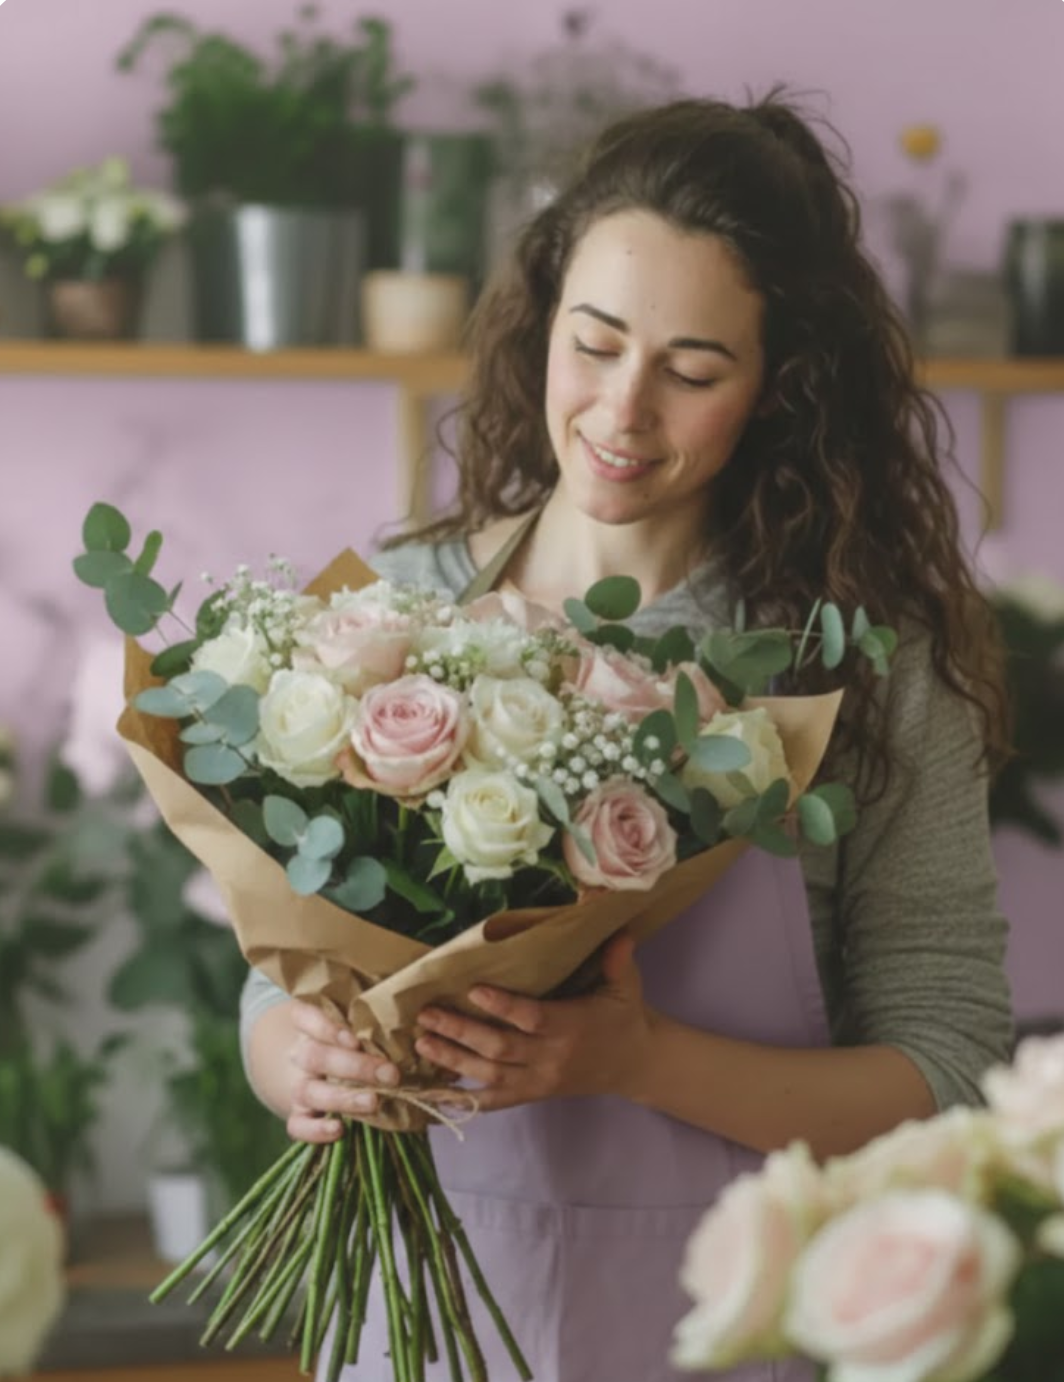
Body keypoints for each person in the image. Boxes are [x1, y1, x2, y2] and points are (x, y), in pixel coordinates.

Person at [240, 91, 1014, 1382]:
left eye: (694, 370)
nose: (622, 409)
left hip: (738, 1321)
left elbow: (948, 1061)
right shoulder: (397, 609)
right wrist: (298, 1062)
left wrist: (639, 1058)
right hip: (429, 1314)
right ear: (541, 322)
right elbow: (282, 976)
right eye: (592, 343)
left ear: (780, 387)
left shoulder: (860, 665)